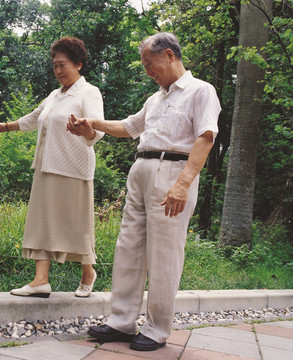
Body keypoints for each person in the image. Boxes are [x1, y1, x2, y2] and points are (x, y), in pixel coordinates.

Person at [67, 32, 221, 351]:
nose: (147, 71)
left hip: (173, 172)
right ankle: (121, 321)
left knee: (164, 255)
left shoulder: (200, 91)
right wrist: (91, 124)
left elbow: (205, 137)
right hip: (141, 171)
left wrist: (183, 183)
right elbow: (129, 127)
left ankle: (157, 328)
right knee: (129, 248)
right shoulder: (156, 98)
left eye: (149, 64)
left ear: (168, 55)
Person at [0, 36, 104, 298]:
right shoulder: (55, 95)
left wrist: (86, 131)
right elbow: (33, 118)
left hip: (74, 167)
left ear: (79, 64)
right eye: (54, 66)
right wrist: (6, 127)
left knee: (76, 224)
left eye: (63, 65)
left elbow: (98, 129)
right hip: (46, 165)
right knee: (41, 222)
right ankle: (41, 280)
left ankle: (88, 273)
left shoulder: (89, 92)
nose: (58, 71)